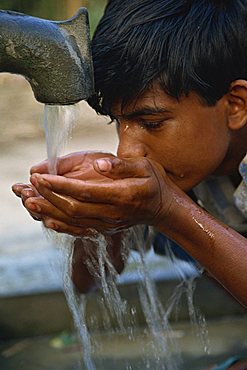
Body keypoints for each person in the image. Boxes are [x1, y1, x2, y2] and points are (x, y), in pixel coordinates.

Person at [13, 0, 247, 307]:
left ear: (235, 105)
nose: (127, 151)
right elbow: (88, 282)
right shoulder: (173, 171)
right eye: (117, 121)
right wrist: (102, 221)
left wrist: (169, 211)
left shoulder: (170, 188)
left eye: (152, 123)